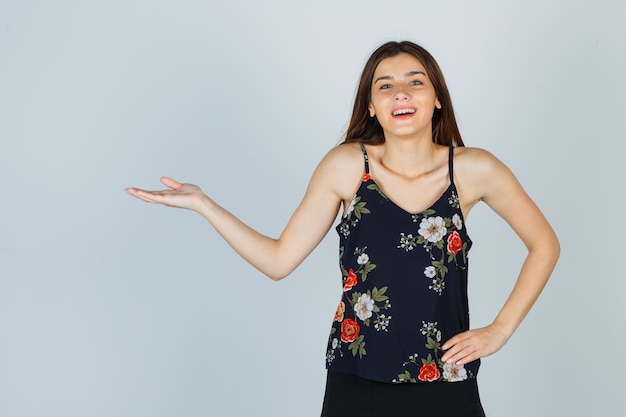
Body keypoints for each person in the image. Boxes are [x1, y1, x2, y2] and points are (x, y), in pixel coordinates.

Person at [126, 41, 559, 417]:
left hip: (447, 380)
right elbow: (279, 261)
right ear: (371, 105)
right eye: (385, 85)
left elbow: (544, 244)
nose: (400, 93)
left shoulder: (472, 169)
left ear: (437, 98)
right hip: (358, 382)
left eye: (415, 81)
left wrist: (499, 329)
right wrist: (205, 204)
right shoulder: (348, 166)